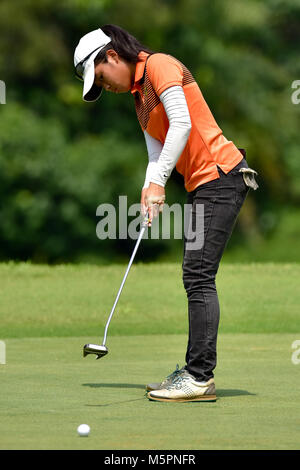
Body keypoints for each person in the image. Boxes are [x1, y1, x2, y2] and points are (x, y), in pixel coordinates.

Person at [74, 25, 259, 403]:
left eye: (102, 78)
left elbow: (183, 123)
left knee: (198, 274)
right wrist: (150, 188)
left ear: (111, 56)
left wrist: (159, 182)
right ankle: (194, 371)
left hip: (222, 176)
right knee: (196, 274)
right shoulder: (139, 99)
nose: (105, 87)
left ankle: (198, 376)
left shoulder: (159, 66)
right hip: (204, 185)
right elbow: (157, 153)